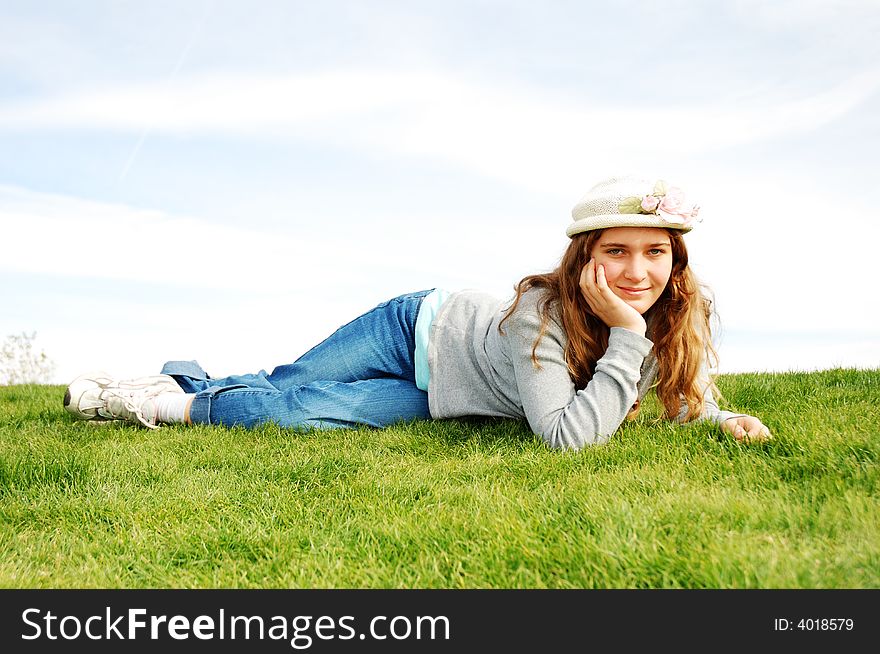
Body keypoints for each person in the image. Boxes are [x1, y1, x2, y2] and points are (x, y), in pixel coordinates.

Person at [63, 175, 771, 449]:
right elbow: (564, 433)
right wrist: (623, 333)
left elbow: (641, 400)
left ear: (676, 262)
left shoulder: (667, 314)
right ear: (586, 255)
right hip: (418, 325)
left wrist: (713, 413)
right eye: (617, 250)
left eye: (655, 252)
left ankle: (160, 405)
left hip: (440, 394)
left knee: (291, 412)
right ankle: (165, 386)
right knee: (287, 379)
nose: (638, 271)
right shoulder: (542, 312)